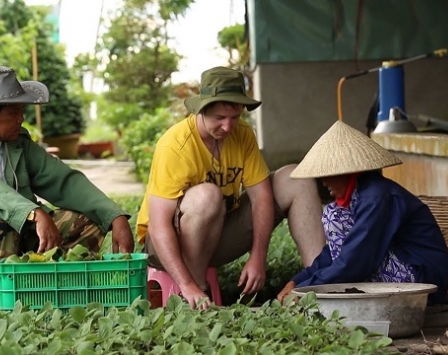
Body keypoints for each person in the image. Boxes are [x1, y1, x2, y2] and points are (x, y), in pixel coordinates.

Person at [0, 66, 134, 312]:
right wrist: (33, 212)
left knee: (85, 220)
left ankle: (61, 294)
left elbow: (63, 180)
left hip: (16, 238)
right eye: (15, 112)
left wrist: (114, 215)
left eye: (22, 111)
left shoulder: (17, 144)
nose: (21, 119)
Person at [136, 66, 327, 309]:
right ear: (201, 110)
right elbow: (158, 225)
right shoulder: (175, 146)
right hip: (166, 247)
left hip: (217, 235)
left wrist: (258, 257)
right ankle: (195, 298)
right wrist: (187, 284)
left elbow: (262, 197)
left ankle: (321, 283)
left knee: (295, 177)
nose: (228, 127)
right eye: (219, 118)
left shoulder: (242, 135)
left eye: (234, 117)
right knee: (207, 195)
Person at [276, 120, 448, 304]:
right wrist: (298, 281)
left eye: (328, 175)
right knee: (334, 213)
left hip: (424, 282)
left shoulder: (375, 198)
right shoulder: (361, 196)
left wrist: (308, 291)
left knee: (334, 217)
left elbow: (355, 260)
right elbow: (340, 252)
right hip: (403, 269)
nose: (324, 182)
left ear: (345, 172)